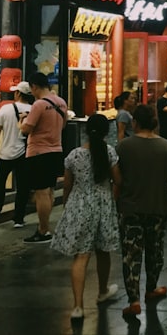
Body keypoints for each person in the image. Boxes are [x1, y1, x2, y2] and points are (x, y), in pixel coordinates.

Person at [117, 104, 167, 318]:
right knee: (155, 249)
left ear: (135, 123)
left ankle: (133, 300)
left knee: (131, 254)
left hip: (130, 208)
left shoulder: (124, 147)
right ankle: (151, 288)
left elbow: (117, 179)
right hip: (158, 207)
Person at [50, 114, 122, 321]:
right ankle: (102, 291)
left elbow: (67, 185)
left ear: (86, 131)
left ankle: (78, 307)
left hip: (79, 205)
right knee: (103, 251)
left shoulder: (74, 155)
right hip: (103, 205)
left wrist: (67, 205)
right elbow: (118, 180)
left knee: (81, 257)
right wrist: (111, 197)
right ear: (106, 132)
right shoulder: (109, 152)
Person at [20, 72, 68, 244]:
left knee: (41, 192)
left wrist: (21, 122)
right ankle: (45, 227)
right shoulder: (61, 102)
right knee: (49, 190)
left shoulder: (39, 104)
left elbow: (26, 129)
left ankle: (43, 230)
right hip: (56, 150)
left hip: (39, 152)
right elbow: (63, 125)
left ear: (34, 86)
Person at [0, 81, 34, 226]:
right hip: (26, 152)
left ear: (18, 93)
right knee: (23, 186)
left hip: (7, 152)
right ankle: (19, 218)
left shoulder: (6, 109)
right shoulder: (35, 110)